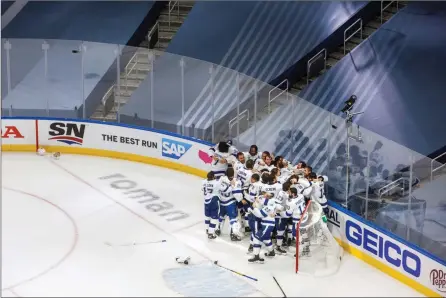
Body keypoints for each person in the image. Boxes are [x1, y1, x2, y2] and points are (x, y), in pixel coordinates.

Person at [218, 168, 243, 241]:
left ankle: (217, 229)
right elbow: (237, 195)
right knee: (233, 219)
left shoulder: (221, 178)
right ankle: (233, 235)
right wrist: (240, 199)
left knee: (221, 216)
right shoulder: (236, 181)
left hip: (222, 201)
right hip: (230, 203)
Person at [202, 171, 224, 239]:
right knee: (214, 218)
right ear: (213, 177)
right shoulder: (216, 183)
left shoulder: (203, 182)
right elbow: (221, 187)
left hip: (206, 201)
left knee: (207, 216)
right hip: (213, 200)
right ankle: (211, 233)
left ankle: (207, 229)